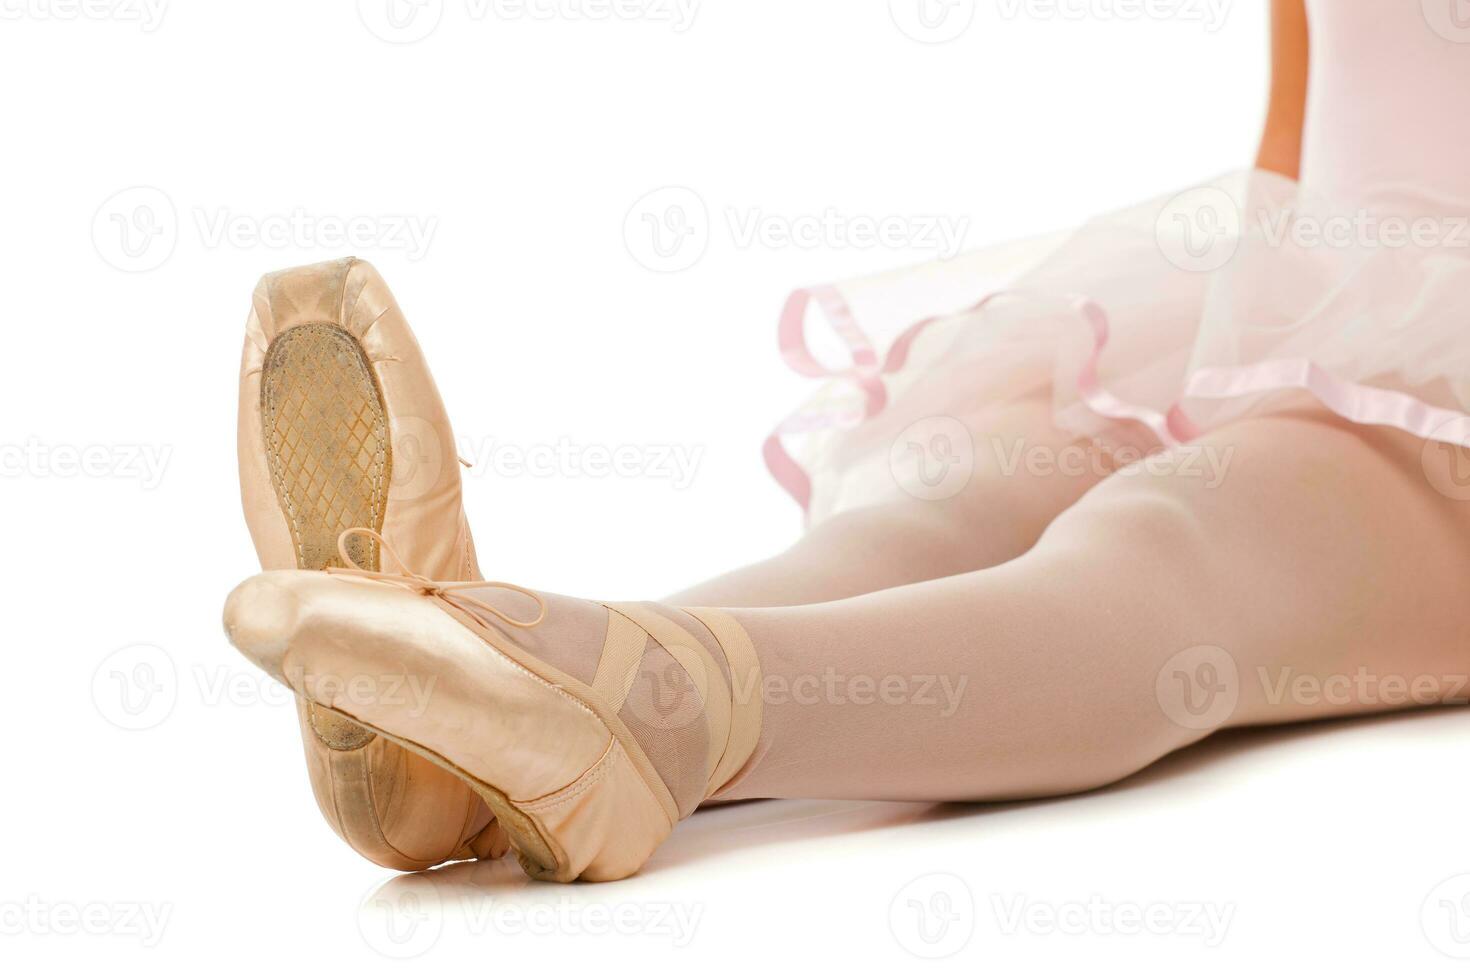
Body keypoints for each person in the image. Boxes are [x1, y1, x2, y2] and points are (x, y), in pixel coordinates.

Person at [223, 0, 1470, 882]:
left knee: (1182, 536)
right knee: (959, 486)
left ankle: (660, 714)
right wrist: (1242, 339)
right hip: (1349, 296)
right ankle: (494, 697)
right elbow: (1298, 156)